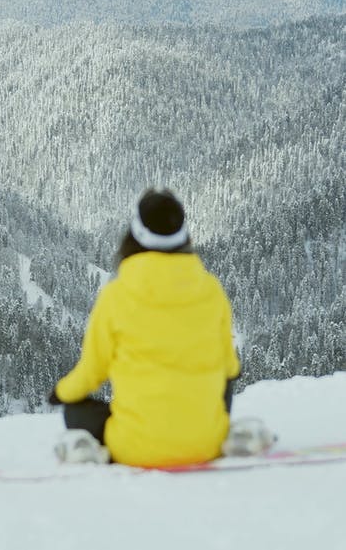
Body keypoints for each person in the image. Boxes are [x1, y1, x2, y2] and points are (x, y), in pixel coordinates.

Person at [49, 188, 241, 467]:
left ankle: (107, 444)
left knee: (75, 409)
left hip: (134, 449)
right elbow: (230, 366)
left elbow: (92, 372)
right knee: (224, 382)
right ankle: (202, 429)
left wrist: (61, 393)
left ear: (135, 235)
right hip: (207, 444)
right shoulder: (211, 289)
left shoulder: (116, 295)